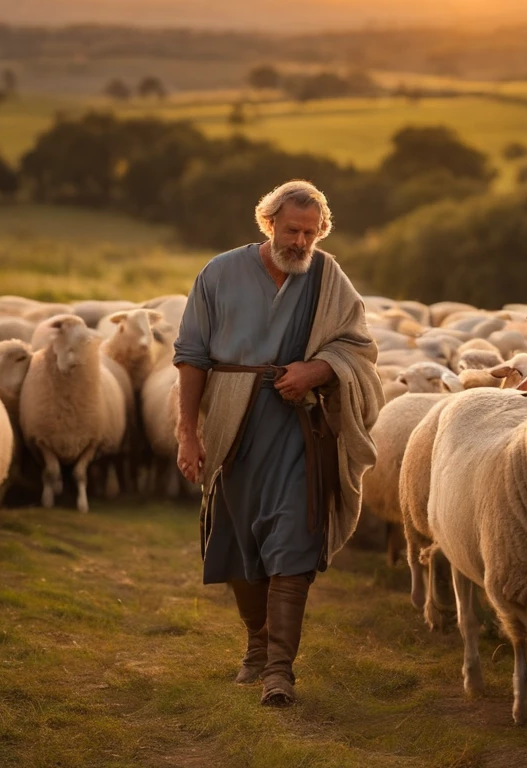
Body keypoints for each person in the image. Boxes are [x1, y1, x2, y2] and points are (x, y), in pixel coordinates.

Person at [173, 180, 383, 707]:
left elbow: (358, 348)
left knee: (293, 540)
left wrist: (315, 370)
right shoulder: (219, 273)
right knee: (243, 541)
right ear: (269, 224)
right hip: (233, 422)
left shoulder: (328, 277)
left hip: (299, 430)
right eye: (292, 230)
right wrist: (187, 431)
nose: (301, 242)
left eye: (311, 233)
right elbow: (192, 354)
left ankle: (279, 672)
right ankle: (256, 645)